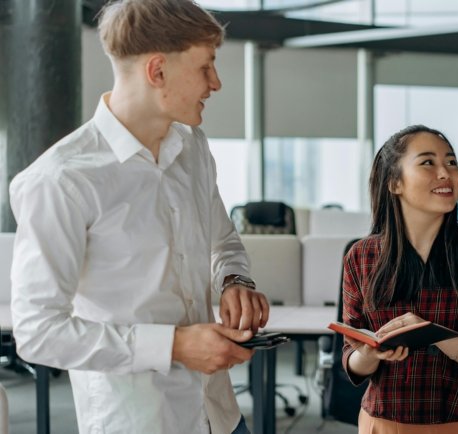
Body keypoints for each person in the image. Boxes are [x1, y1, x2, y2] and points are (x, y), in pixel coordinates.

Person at [9, 1, 270, 433]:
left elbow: (223, 243)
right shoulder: (60, 180)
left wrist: (234, 281)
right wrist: (175, 346)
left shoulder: (193, 148)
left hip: (219, 413)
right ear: (157, 71)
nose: (216, 83)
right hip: (139, 420)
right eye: (206, 67)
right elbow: (38, 332)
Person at [341, 125, 458, 434]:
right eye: (428, 162)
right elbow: (351, 359)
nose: (445, 172)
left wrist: (437, 335)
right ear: (395, 182)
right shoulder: (361, 257)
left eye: (451, 162)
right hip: (381, 423)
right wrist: (368, 353)